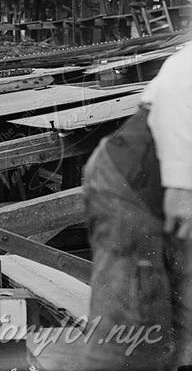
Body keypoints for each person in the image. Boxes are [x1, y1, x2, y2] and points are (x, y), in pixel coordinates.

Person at [83, 46, 192, 370]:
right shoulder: (186, 65)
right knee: (133, 320)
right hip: (129, 190)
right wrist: (181, 183)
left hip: (169, 201)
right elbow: (178, 77)